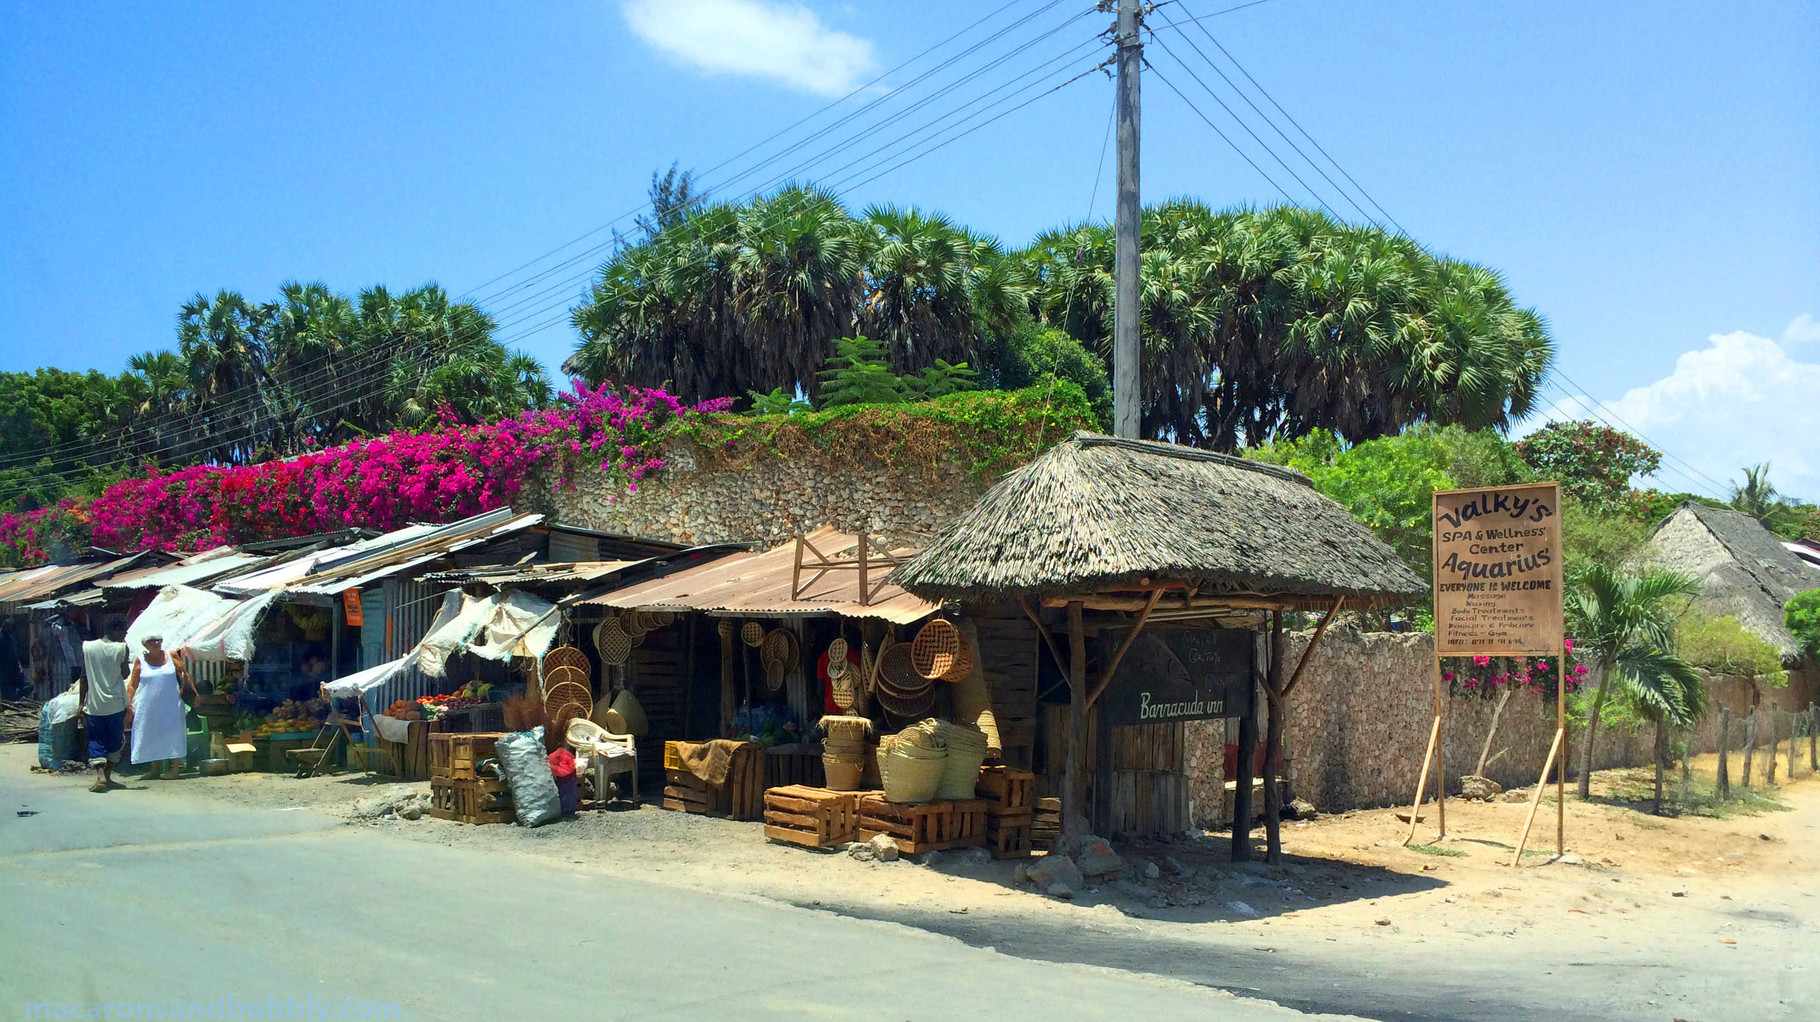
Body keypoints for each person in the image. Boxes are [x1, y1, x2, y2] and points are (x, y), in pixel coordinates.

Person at [127, 635, 194, 779]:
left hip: (172, 704)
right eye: (151, 641)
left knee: (174, 733)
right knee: (151, 734)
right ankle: (154, 769)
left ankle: (175, 769)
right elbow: (133, 684)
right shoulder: (141, 661)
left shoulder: (171, 655)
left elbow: (184, 675)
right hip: (149, 706)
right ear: (145, 645)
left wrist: (193, 694)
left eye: (158, 640)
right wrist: (128, 704)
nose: (156, 643)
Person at [79, 627, 131, 792]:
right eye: (124, 632)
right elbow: (124, 674)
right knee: (115, 741)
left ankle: (101, 776)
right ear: (117, 631)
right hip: (115, 704)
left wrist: (81, 703)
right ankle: (107, 776)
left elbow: (83, 677)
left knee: (96, 740)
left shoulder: (88, 647)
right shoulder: (122, 648)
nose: (125, 635)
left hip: (94, 705)